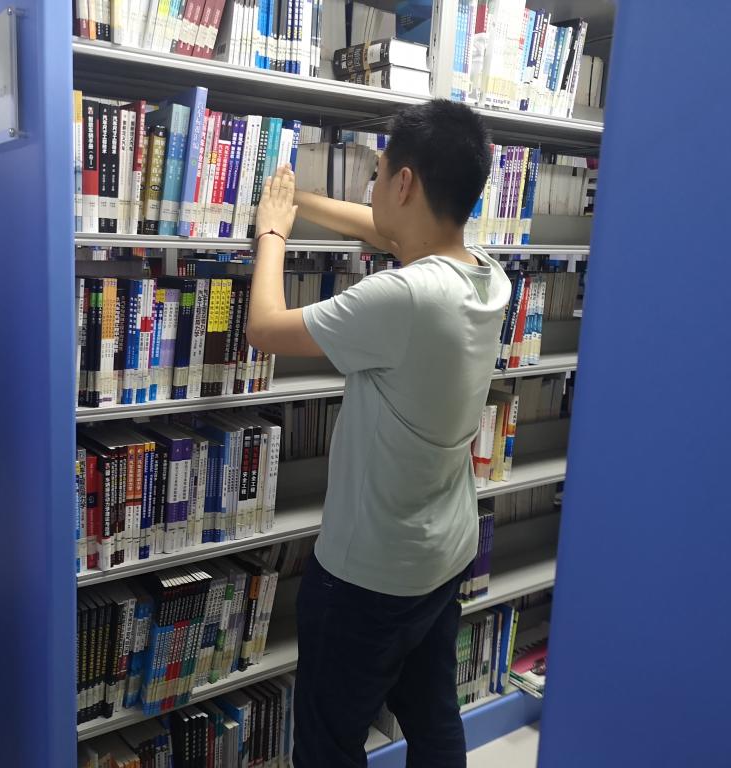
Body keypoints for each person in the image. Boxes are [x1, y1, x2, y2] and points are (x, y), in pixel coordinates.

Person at [249, 100, 511, 768]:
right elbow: (390, 231)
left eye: (378, 171)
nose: (373, 186)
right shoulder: (487, 275)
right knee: (433, 718)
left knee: (329, 744)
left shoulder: (404, 296)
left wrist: (271, 233)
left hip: (368, 574)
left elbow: (265, 328)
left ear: (404, 183)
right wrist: (298, 200)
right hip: (441, 553)